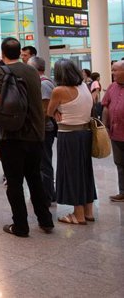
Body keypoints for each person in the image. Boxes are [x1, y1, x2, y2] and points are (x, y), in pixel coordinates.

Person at [0, 37, 53, 237]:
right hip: (35, 133)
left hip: (13, 135)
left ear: (2, 53)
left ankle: (20, 225)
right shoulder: (33, 71)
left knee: (14, 182)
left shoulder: (1, 72)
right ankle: (45, 220)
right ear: (20, 53)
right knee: (35, 178)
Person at [48, 59, 97, 225]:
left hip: (69, 135)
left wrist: (55, 113)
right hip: (85, 134)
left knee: (72, 173)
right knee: (85, 172)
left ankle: (78, 214)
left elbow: (49, 111)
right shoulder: (84, 86)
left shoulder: (59, 90)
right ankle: (88, 211)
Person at [28, 56, 57, 204]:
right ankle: (48, 192)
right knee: (42, 162)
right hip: (42, 129)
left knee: (44, 163)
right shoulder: (43, 82)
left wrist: (36, 128)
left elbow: (45, 111)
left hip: (44, 130)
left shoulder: (43, 84)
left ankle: (47, 194)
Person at [102, 61, 124, 202]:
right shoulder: (112, 87)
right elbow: (105, 106)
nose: (113, 73)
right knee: (120, 163)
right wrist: (105, 126)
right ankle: (122, 192)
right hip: (116, 133)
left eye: (115, 70)